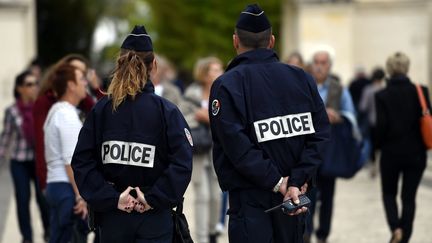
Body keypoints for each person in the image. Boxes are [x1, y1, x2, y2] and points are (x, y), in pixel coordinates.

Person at [209, 4, 330, 243]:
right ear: (272, 41)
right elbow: (321, 135)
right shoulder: (302, 79)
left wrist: (280, 183)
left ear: (235, 41)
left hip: (252, 201)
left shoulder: (226, 86)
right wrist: (296, 181)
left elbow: (237, 147)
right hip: (294, 198)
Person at [71, 25, 192, 243]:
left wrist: (113, 198)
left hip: (113, 218)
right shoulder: (167, 111)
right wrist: (153, 199)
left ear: (119, 64)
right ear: (153, 65)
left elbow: (82, 162)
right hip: (154, 218)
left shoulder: (102, 110)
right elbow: (182, 163)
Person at [375, 52, 430, 243]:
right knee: (409, 197)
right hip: (416, 154)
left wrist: (376, 148)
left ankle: (395, 228)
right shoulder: (421, 91)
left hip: (391, 153)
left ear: (389, 69)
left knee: (389, 193)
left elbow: (380, 127)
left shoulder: (382, 95)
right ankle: (404, 237)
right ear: (407, 67)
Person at [305, 50, 357, 243]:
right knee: (307, 193)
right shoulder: (304, 84)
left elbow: (351, 115)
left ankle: (323, 234)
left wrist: (338, 117)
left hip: (330, 151)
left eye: (323, 62)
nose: (319, 66)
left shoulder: (338, 89)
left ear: (329, 66)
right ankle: (306, 231)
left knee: (327, 197)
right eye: (316, 62)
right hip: (307, 150)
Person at [33, 54, 103, 191]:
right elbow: (41, 144)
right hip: (57, 180)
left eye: (83, 73)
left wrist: (96, 88)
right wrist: (45, 183)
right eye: (74, 70)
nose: (81, 77)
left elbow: (102, 114)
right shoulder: (47, 103)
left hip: (73, 179)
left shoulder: (81, 99)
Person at [0, 70, 50, 243]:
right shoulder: (12, 111)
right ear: (20, 88)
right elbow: (6, 137)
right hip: (19, 161)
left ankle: (48, 231)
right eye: (29, 84)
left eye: (36, 83)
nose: (34, 87)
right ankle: (27, 238)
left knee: (43, 198)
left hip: (39, 160)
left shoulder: (42, 107)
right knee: (22, 200)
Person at [43, 64, 89, 243]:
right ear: (71, 85)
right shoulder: (66, 115)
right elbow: (71, 160)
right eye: (81, 79)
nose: (85, 83)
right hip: (67, 189)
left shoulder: (58, 111)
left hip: (57, 186)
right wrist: (80, 196)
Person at [182, 57, 224, 243]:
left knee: (216, 197)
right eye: (215, 70)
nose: (219, 73)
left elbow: (229, 120)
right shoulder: (192, 92)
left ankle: (212, 232)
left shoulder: (223, 91)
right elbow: (183, 119)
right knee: (202, 196)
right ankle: (201, 239)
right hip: (199, 152)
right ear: (205, 74)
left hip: (218, 152)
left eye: (220, 69)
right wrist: (197, 118)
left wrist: (208, 118)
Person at [359, 67, 385, 177]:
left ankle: (373, 164)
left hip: (371, 121)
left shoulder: (368, 90)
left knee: (372, 144)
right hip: (384, 122)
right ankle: (381, 164)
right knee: (382, 144)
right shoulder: (385, 89)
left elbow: (363, 107)